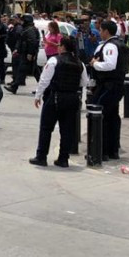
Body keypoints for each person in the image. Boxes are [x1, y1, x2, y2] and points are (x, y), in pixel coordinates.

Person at [30, 36, 88, 167]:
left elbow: (44, 80)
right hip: (72, 98)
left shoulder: (54, 61)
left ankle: (41, 156)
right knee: (67, 130)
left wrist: (38, 96)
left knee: (46, 128)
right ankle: (63, 158)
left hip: (55, 97)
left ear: (62, 47)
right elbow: (84, 82)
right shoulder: (80, 63)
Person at [88, 20, 128, 161]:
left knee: (100, 116)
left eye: (101, 30)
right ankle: (112, 149)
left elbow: (110, 65)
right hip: (112, 85)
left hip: (109, 85)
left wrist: (95, 63)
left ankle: (102, 150)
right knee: (112, 117)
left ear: (106, 31)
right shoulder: (118, 43)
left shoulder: (110, 46)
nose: (99, 33)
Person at [6, 15, 39, 94]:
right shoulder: (26, 29)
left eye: (23, 20)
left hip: (28, 53)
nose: (21, 22)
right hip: (25, 52)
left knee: (26, 70)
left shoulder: (30, 30)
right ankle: (14, 87)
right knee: (31, 71)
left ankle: (14, 87)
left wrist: (30, 53)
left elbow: (32, 42)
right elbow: (21, 41)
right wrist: (17, 49)